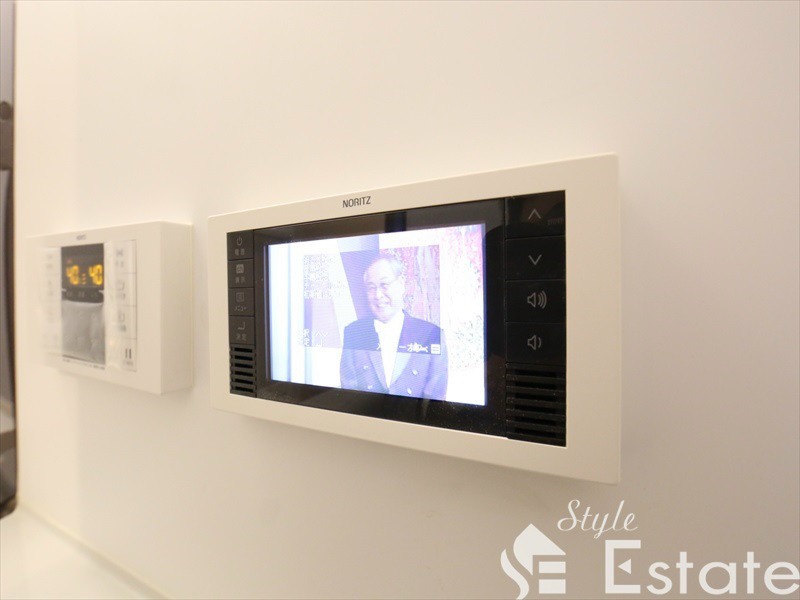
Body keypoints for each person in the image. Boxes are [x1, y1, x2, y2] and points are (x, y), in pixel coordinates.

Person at [340, 254, 448, 400]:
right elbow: (348, 396)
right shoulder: (354, 333)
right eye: (371, 288)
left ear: (401, 284)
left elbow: (434, 400)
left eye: (384, 285)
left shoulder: (432, 335)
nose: (378, 295)